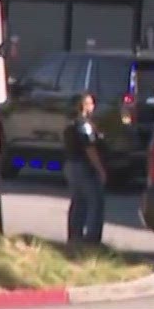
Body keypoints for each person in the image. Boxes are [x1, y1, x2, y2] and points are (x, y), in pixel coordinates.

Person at [63, 92, 106, 250]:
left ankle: (75, 237)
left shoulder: (70, 124)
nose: (92, 107)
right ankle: (92, 240)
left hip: (71, 165)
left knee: (78, 201)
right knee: (95, 201)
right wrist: (100, 169)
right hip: (84, 166)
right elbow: (90, 148)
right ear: (83, 106)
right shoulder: (84, 125)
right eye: (90, 103)